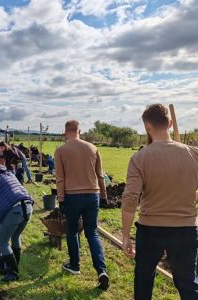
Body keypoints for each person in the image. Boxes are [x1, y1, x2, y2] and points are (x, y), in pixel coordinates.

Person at [121, 104, 198, 300]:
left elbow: (130, 199)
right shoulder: (194, 154)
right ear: (170, 124)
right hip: (186, 229)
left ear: (147, 127)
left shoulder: (139, 158)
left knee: (144, 279)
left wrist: (126, 235)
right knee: (187, 283)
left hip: (150, 230)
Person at [54, 120, 109, 290]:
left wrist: (61, 199)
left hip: (72, 196)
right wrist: (104, 195)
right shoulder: (92, 148)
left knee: (71, 231)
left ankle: (75, 265)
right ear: (80, 131)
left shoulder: (61, 151)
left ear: (65, 132)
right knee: (92, 232)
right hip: (93, 194)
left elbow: (60, 178)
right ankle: (101, 270)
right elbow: (100, 174)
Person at [0, 162, 33, 281]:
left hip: (14, 209)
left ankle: (12, 273)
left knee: (2, 241)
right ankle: (15, 264)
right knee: (15, 236)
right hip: (28, 205)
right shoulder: (8, 173)